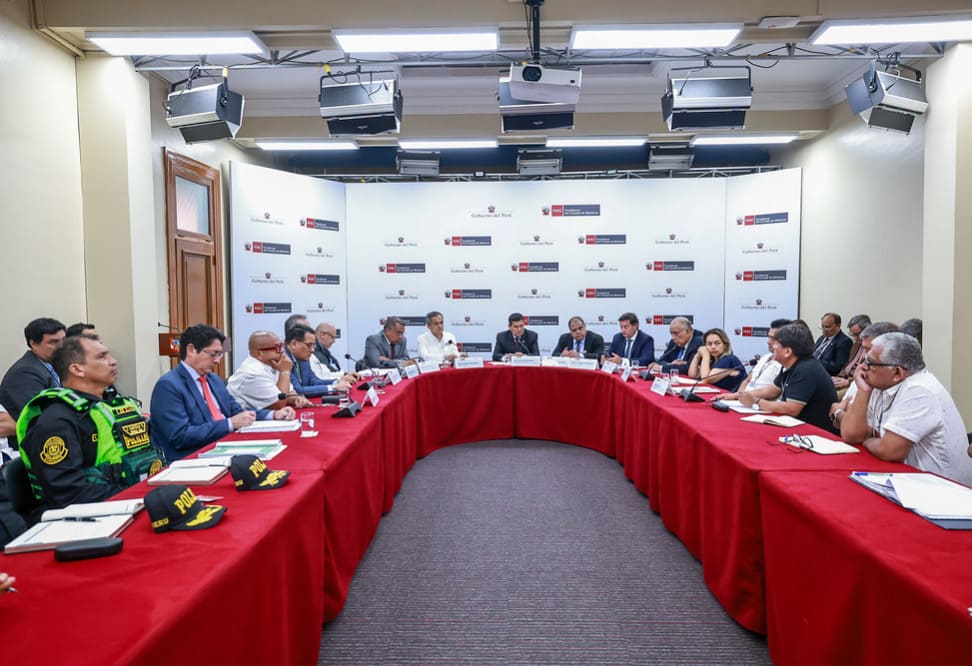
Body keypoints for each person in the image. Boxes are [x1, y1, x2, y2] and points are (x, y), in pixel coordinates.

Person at [15, 335, 163, 515]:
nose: (113, 361)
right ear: (77, 369)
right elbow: (69, 494)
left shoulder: (113, 406)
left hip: (131, 501)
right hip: (89, 517)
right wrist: (140, 498)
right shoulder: (56, 421)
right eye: (102, 357)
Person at [840, 332, 972, 486]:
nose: (862, 367)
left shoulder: (920, 390)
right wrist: (863, 392)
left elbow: (889, 451)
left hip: (942, 488)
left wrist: (866, 439)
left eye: (870, 363)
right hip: (907, 480)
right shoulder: (878, 383)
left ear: (897, 372)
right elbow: (851, 435)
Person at [150, 325, 294, 463]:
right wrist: (229, 424)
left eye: (220, 355)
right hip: (192, 458)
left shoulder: (213, 379)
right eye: (213, 354)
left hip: (225, 447)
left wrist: (273, 415)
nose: (218, 361)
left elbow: (237, 412)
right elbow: (180, 436)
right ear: (191, 350)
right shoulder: (169, 386)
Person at [738, 323, 839, 432]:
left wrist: (756, 402)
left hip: (817, 434)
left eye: (776, 343)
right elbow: (772, 390)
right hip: (798, 428)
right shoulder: (791, 364)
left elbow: (792, 409)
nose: (773, 346)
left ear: (787, 352)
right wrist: (740, 395)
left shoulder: (806, 369)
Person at [828, 322, 899, 431]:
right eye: (863, 349)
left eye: (869, 350)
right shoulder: (863, 373)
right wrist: (841, 413)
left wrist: (839, 413)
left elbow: (854, 430)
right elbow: (837, 422)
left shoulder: (905, 388)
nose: (863, 356)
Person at [0, 317, 67, 422]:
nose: (62, 346)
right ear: (34, 344)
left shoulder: (53, 365)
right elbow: (39, 417)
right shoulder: (24, 373)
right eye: (54, 342)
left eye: (64, 340)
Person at [228, 331, 312, 410]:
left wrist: (296, 398)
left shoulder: (272, 363)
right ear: (260, 353)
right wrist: (285, 372)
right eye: (277, 348)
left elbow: (288, 392)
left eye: (282, 346)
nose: (282, 351)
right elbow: (279, 403)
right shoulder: (253, 372)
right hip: (245, 418)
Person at [720, 318, 791, 401]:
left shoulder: (785, 363)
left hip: (762, 404)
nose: (769, 341)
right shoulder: (765, 357)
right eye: (769, 337)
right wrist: (738, 397)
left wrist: (743, 397)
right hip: (743, 401)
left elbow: (773, 392)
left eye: (774, 338)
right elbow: (747, 380)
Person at [284, 324, 354, 396]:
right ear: (294, 344)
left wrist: (337, 382)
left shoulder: (303, 356)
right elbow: (297, 391)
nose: (312, 350)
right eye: (309, 345)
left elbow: (313, 381)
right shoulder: (283, 359)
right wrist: (332, 388)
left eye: (313, 346)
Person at [832, 314, 871, 392]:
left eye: (857, 334)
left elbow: (867, 374)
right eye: (852, 334)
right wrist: (839, 377)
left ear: (867, 330)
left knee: (833, 395)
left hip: (855, 384)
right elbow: (847, 364)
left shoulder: (873, 347)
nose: (854, 338)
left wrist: (848, 382)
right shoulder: (856, 344)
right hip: (845, 379)